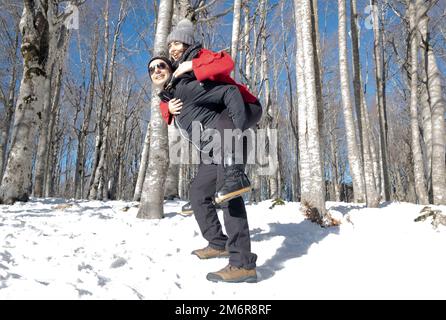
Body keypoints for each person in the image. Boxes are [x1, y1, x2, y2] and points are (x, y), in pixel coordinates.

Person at [147, 20, 261, 282]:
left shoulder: (197, 62)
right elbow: (173, 98)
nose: (172, 49)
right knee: (198, 192)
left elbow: (226, 71)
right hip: (213, 145)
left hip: (234, 125)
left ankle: (243, 263)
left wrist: (192, 65)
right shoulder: (174, 89)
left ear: (186, 43)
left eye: (176, 43)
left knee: (229, 191)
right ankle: (217, 242)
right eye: (152, 68)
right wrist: (167, 109)